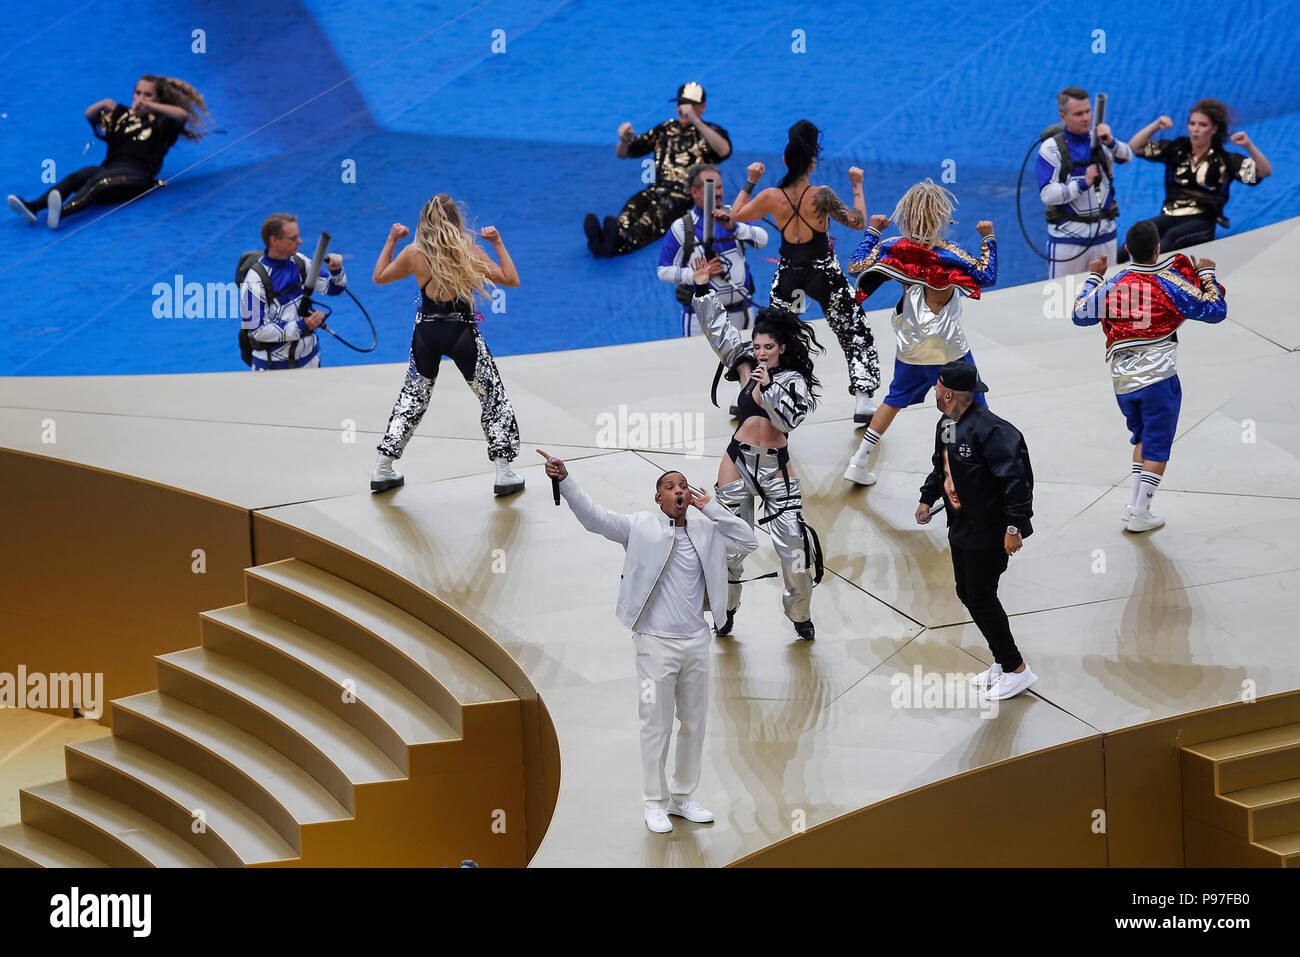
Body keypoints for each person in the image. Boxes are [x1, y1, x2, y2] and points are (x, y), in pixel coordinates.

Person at [539, 450, 758, 834]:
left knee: (693, 723)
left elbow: (748, 540)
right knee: (655, 724)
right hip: (654, 645)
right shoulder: (639, 526)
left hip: (695, 642)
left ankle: (682, 796)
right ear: (658, 498)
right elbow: (595, 518)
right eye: (669, 486)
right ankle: (653, 802)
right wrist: (565, 480)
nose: (679, 490)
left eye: (683, 486)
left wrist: (713, 508)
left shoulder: (707, 529)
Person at [689, 255, 826, 640]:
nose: (761, 352)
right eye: (758, 345)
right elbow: (719, 332)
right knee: (730, 545)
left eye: (768, 347)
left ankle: (799, 613)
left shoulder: (794, 380)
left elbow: (788, 422)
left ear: (781, 348)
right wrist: (702, 288)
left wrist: (766, 393)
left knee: (794, 549)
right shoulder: (746, 362)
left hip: (776, 467)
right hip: (737, 460)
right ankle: (725, 610)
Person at [1070, 220, 1226, 532]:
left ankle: (1135, 506)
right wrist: (1207, 274)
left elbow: (1080, 314)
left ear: (1126, 249)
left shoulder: (1113, 283)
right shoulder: (1169, 283)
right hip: (1158, 380)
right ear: (1158, 249)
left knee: (1142, 438)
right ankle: (1141, 512)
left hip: (1122, 384)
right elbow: (1215, 310)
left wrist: (1093, 278)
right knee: (1157, 446)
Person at [726, 120, 880, 426]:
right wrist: (857, 184)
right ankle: (864, 398)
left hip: (789, 274)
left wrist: (750, 180)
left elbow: (734, 216)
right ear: (812, 162)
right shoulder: (821, 195)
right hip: (823, 271)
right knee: (853, 328)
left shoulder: (771, 195)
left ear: (784, 161)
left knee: (771, 335)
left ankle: (750, 392)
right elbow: (859, 221)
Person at [370, 194, 525, 497]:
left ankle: (382, 467)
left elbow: (379, 277)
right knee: (492, 397)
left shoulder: (414, 253)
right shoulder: (467, 250)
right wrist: (497, 242)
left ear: (423, 221)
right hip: (461, 331)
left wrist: (391, 239)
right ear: (457, 220)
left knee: (413, 398)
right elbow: (511, 279)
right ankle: (504, 472)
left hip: (426, 332)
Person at [844, 181, 997, 486]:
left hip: (912, 346)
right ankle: (975, 469)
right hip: (949, 349)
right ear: (941, 216)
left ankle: (859, 460)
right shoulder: (949, 254)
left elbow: (855, 266)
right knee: (973, 409)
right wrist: (988, 239)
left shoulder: (894, 246)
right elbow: (987, 275)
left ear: (907, 216)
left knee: (893, 399)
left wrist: (873, 231)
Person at [915, 361, 1037, 701]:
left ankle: (1017, 669)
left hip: (990, 528)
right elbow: (942, 466)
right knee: (967, 592)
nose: (935, 390)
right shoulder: (949, 424)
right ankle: (1001, 660)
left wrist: (1013, 528)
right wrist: (927, 498)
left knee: (981, 596)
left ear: (949, 393)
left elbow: (1017, 484)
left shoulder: (995, 433)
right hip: (962, 525)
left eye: (938, 385)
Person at [7, 75, 209, 229]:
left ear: (158, 100)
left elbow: (181, 115)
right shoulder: (122, 115)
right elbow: (89, 114)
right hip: (110, 167)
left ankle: (61, 212)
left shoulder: (162, 122)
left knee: (98, 183)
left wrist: (150, 106)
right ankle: (33, 207)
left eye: (148, 95)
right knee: (80, 175)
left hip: (136, 177)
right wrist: (103, 103)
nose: (140, 99)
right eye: (138, 93)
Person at [584, 82, 732, 258]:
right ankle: (607, 239)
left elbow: (724, 151)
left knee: (654, 217)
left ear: (702, 107)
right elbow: (623, 154)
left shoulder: (711, 131)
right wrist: (624, 140)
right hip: (655, 189)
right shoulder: (664, 129)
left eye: (690, 104)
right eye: (680, 104)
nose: (683, 109)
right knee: (633, 206)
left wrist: (696, 121)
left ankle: (620, 242)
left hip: (684, 196)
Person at [1124, 98, 1272, 256]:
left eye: (1202, 125)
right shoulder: (1176, 150)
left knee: (1171, 238)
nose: (1195, 129)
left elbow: (1264, 172)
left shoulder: (1225, 160)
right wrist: (1156, 125)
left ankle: (1148, 276)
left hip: (1202, 219)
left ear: (1214, 129)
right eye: (1192, 123)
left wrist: (1248, 145)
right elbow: (1135, 147)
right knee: (1139, 234)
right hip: (1171, 213)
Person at [657, 163, 768, 336]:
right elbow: (664, 271)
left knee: (746, 363)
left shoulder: (734, 215)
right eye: (710, 188)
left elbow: (762, 240)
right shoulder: (682, 227)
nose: (717, 193)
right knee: (700, 363)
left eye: (720, 187)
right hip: (702, 317)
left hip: (743, 313)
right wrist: (696, 276)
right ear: (694, 192)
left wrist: (734, 227)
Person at [1037, 86, 1132, 277]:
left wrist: (1110, 141)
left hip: (1105, 235)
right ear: (1063, 117)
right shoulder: (1051, 148)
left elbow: (1127, 156)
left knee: (1107, 298)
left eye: (1088, 111)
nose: (1086, 118)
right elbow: (1047, 194)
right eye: (1078, 113)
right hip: (1067, 240)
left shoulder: (1102, 141)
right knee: (1063, 298)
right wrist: (1081, 185)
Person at [239, 213, 347, 371]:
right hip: (273, 371)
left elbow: (334, 289)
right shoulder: (253, 282)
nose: (300, 241)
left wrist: (336, 271)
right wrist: (303, 325)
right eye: (293, 238)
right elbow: (257, 330)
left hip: (310, 362)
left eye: (299, 236)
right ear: (274, 241)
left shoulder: (299, 262)